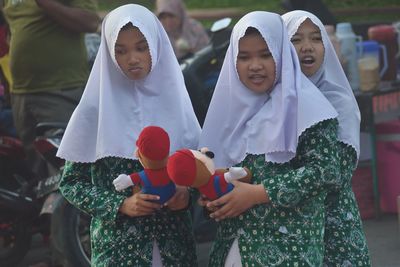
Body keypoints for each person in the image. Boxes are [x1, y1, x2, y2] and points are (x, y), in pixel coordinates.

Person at [57, 4, 201, 266]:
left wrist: (186, 195)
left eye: (141, 47)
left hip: (175, 249)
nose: (132, 58)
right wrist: (119, 205)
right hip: (118, 251)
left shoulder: (176, 101)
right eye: (120, 51)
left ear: (156, 46)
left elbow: (201, 172)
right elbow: (71, 183)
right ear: (109, 53)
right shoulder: (95, 108)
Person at [198, 11, 342, 266]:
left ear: (281, 54)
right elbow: (238, 173)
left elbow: (326, 171)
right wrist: (214, 192)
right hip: (234, 247)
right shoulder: (230, 112)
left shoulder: (310, 107)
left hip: (288, 251)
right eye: (244, 57)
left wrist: (258, 193)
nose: (255, 65)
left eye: (265, 54)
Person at [282, 10, 371, 266]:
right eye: (296, 40)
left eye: (316, 39)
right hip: (290, 232)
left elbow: (335, 174)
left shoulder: (337, 101)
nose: (307, 47)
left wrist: (261, 191)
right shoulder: (276, 102)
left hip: (334, 229)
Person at [1, 0, 100, 178]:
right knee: (38, 171)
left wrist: (46, 3)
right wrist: (10, 89)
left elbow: (90, 22)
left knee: (69, 168)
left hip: (61, 90)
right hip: (21, 94)